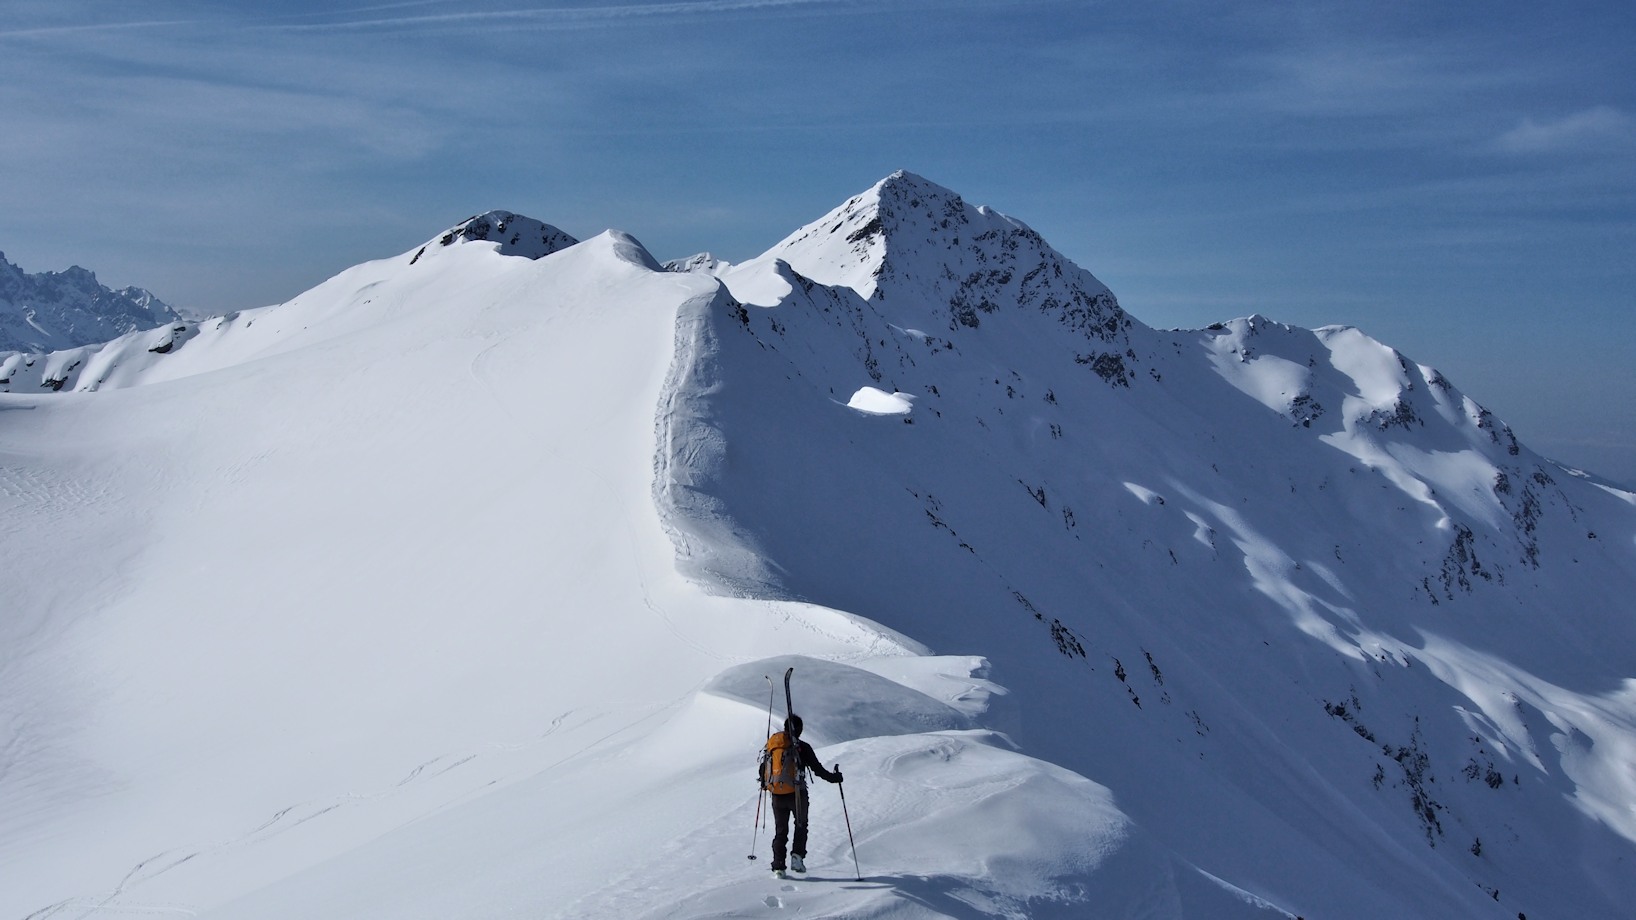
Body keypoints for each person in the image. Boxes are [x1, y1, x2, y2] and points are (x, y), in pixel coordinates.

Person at [760, 713, 842, 878]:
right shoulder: (802, 747)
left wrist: (765, 784)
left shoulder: (773, 745)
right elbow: (818, 770)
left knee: (780, 831)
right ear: (800, 729)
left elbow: (763, 769)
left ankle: (778, 867)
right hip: (797, 794)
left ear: (784, 727)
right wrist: (835, 778)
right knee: (801, 825)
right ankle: (797, 858)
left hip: (777, 794)